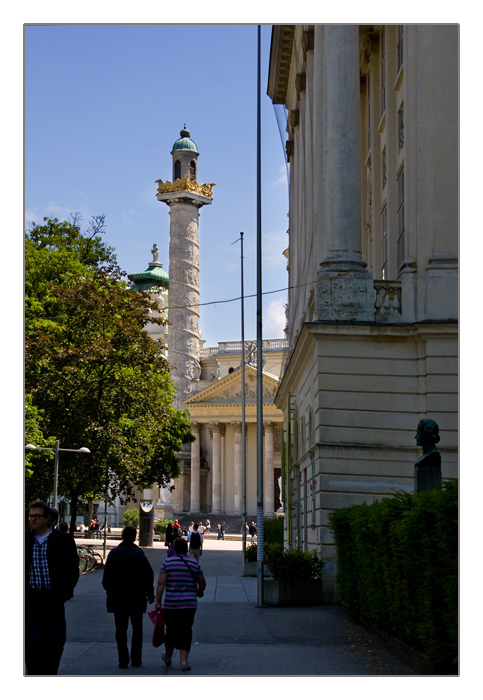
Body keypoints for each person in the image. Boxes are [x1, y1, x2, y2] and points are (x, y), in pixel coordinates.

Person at [25, 500, 80, 675]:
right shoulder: (24, 539)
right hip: (31, 599)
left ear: (47, 518)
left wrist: (64, 593)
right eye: (30, 516)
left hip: (53, 600)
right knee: (32, 644)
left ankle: (50, 672)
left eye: (36, 516)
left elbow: (73, 568)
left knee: (55, 641)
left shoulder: (61, 540)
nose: (32, 520)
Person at [102, 525, 155, 669]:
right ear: (135, 538)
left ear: (122, 536)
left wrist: (110, 591)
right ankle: (136, 658)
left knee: (120, 630)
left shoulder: (114, 553)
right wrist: (150, 593)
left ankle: (123, 659)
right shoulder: (139, 554)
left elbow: (106, 578)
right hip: (137, 598)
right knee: (137, 629)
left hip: (119, 598)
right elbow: (148, 575)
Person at [155, 537, 206, 672]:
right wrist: (200, 591)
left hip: (171, 604)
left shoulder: (167, 563)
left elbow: (161, 583)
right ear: (186, 548)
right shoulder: (194, 563)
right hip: (189, 604)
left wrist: (158, 600)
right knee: (186, 631)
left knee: (171, 630)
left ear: (174, 549)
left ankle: (168, 657)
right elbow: (202, 582)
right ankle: (184, 661)